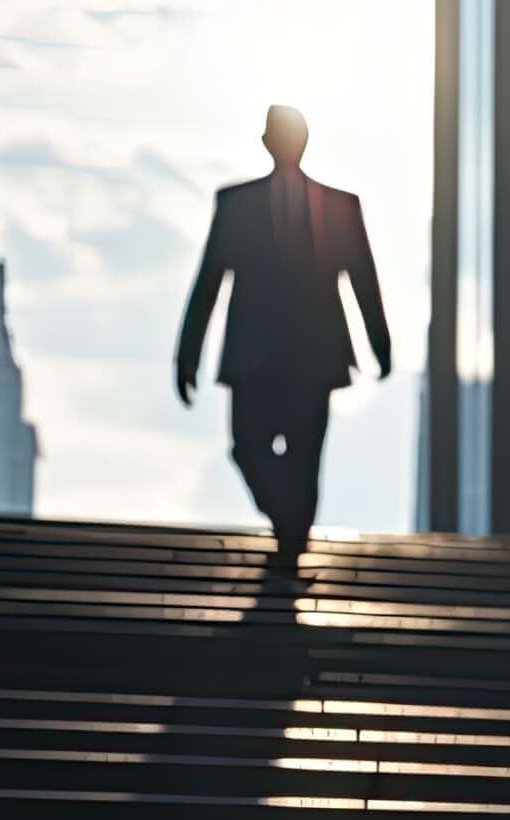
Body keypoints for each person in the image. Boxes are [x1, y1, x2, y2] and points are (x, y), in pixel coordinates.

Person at [176, 105, 390, 569]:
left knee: (306, 456)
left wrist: (381, 344)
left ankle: (292, 542)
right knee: (247, 447)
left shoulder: (340, 207)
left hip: (314, 360)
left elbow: (363, 279)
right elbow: (209, 281)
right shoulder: (236, 204)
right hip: (254, 360)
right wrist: (186, 356)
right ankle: (287, 521)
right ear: (268, 143)